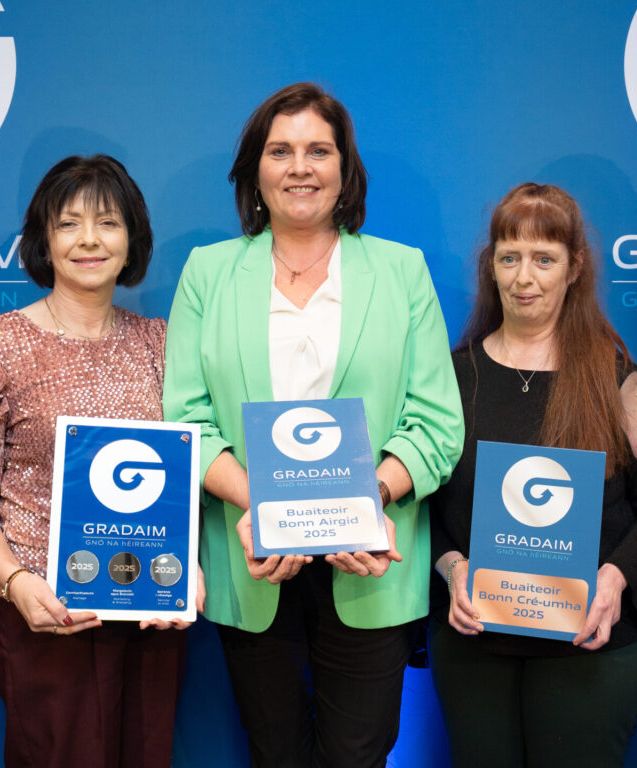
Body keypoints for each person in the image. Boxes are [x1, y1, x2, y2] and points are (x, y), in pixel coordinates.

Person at [163, 82, 463, 767]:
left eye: (318, 150)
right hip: (252, 561)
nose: (300, 166)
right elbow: (187, 418)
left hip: (371, 561)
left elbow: (436, 423)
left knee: (357, 754)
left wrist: (366, 501)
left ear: (344, 169)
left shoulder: (401, 270)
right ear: (256, 170)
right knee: (275, 752)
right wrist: (261, 504)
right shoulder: (208, 273)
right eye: (281, 150)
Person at [0, 154, 188, 767]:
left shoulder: (161, 343)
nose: (90, 240)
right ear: (44, 240)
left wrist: (188, 569)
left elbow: (186, 471)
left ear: (133, 239)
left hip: (150, 614)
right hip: (46, 615)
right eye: (69, 224)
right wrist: (16, 582)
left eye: (108, 223)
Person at [428, 183, 637, 767]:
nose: (525, 277)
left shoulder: (614, 377)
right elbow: (420, 507)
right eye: (509, 257)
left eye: (544, 259)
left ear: (574, 269)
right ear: (490, 267)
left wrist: (616, 577)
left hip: (590, 643)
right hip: (474, 644)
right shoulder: (450, 377)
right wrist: (452, 568)